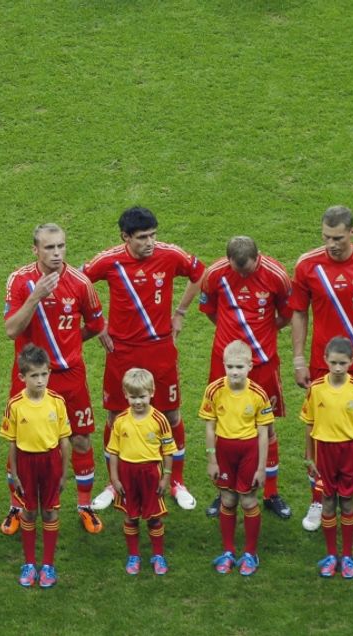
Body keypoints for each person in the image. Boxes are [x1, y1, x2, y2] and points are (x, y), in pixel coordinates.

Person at [84, 206, 205, 513]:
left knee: (172, 415)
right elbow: (79, 283)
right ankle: (114, 483)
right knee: (115, 417)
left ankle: (176, 481)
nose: (150, 242)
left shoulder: (170, 254)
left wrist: (180, 312)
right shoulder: (108, 260)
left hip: (160, 348)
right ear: (125, 237)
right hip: (121, 351)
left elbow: (199, 272)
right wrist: (98, 324)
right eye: (142, 238)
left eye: (153, 235)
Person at [290, 205, 353, 533]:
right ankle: (318, 500)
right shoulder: (307, 265)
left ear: (352, 233)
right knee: (321, 433)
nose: (331, 244)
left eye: (337, 237)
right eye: (325, 237)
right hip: (322, 367)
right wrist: (298, 358)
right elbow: (299, 313)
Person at [1, 224, 105, 536]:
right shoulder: (20, 281)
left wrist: (70, 345)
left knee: (81, 438)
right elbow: (10, 330)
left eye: (61, 246)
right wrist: (35, 297)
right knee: (20, 441)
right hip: (28, 376)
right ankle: (16, 507)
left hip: (70, 376)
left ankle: (84, 506)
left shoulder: (80, 283)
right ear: (35, 249)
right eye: (49, 248)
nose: (57, 253)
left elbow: (95, 324)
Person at [198, 236, 293, 521]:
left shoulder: (277, 276)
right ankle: (224, 488)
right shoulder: (214, 274)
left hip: (262, 362)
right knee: (222, 422)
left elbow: (286, 316)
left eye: (248, 271)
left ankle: (271, 492)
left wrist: (263, 335)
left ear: (258, 257)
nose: (242, 276)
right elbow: (210, 311)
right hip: (224, 364)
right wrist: (231, 344)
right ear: (227, 260)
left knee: (268, 425)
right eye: (237, 271)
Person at [300, 337, 353, 579]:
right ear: (325, 360)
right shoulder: (316, 389)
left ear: (352, 362)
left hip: (349, 451)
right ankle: (332, 554)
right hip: (323, 452)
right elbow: (309, 423)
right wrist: (309, 456)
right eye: (333, 362)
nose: (337, 368)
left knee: (347, 501)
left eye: (342, 363)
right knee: (327, 499)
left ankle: (348, 555)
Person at [1, 345, 72, 589]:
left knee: (50, 511)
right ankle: (30, 563)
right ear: (22, 377)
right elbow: (11, 441)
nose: (40, 380)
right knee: (29, 512)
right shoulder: (15, 405)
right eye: (34, 375)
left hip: (50, 461)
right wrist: (14, 473)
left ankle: (48, 565)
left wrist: (64, 472)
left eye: (44, 374)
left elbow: (65, 440)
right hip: (25, 462)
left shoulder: (57, 403)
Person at [200, 341, 273, 577]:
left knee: (248, 501)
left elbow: (264, 434)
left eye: (239, 367)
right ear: (223, 365)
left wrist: (262, 469)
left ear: (250, 366)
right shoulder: (214, 390)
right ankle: (229, 551)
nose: (234, 372)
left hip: (249, 451)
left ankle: (250, 553)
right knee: (228, 499)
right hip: (224, 451)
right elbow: (210, 428)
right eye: (230, 366)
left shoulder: (258, 394)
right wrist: (212, 459)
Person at [106, 368, 176, 576]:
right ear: (125, 395)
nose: (138, 402)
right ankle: (134, 555)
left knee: (154, 517)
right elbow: (113, 452)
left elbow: (169, 451)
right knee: (130, 516)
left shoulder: (160, 420)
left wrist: (166, 476)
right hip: (127, 474)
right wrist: (115, 478)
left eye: (142, 396)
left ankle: (158, 555)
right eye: (133, 397)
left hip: (151, 474)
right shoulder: (120, 422)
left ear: (152, 392)